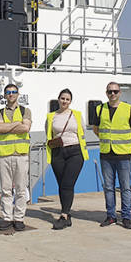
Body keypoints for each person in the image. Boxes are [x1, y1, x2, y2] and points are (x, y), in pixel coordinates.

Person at [93, 82, 131, 229]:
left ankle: (126, 217)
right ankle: (111, 216)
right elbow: (96, 128)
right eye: (109, 92)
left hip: (123, 154)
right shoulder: (100, 109)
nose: (112, 94)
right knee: (108, 187)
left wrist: (124, 141)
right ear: (106, 93)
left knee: (125, 187)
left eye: (115, 91)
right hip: (106, 153)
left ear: (120, 93)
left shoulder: (129, 109)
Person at [45, 89, 89, 230]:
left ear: (70, 101)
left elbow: (82, 130)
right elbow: (49, 132)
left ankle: (64, 215)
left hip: (75, 152)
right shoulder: (51, 116)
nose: (64, 101)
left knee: (68, 184)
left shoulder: (76, 115)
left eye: (67, 99)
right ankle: (67, 215)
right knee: (62, 184)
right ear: (58, 99)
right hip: (58, 152)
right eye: (62, 98)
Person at [0, 83, 32, 231]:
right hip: (4, 154)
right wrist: (17, 124)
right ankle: (7, 217)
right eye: (8, 92)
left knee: (21, 189)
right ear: (4, 95)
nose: (11, 94)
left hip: (21, 155)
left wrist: (8, 127)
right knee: (6, 189)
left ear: (18, 94)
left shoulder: (25, 111)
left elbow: (26, 128)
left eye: (13, 92)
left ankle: (19, 218)